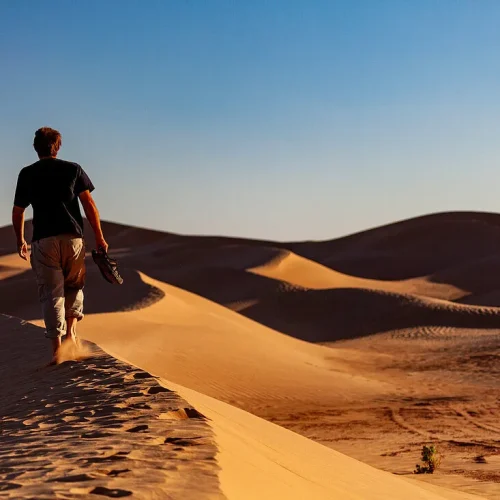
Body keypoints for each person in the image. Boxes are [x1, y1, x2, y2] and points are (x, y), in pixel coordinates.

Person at [12, 127, 108, 365]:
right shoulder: (73, 169)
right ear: (58, 147)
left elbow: (18, 211)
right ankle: (71, 334)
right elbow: (89, 204)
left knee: (51, 294)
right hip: (73, 239)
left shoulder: (27, 174)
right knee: (74, 285)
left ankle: (57, 350)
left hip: (44, 241)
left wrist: (19, 239)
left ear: (36, 148)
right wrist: (99, 236)